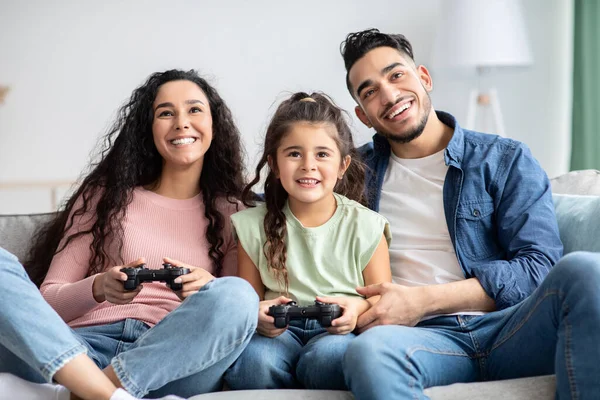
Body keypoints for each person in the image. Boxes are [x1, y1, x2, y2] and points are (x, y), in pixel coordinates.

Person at [337, 28, 600, 400]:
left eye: (396, 75)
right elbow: (285, 198)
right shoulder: (351, 174)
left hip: (512, 327)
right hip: (422, 340)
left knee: (588, 271)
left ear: (423, 78)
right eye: (370, 91)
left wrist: (423, 300)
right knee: (368, 352)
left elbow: (537, 268)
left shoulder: (504, 158)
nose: (389, 95)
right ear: (363, 116)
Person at [0, 69, 259, 400]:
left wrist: (206, 287)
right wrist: (99, 286)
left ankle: (83, 395)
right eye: (166, 112)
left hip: (168, 363)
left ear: (214, 124)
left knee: (238, 295)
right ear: (148, 129)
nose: (181, 122)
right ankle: (105, 394)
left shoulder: (235, 212)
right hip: (78, 353)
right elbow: (48, 301)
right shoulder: (105, 196)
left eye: (194, 109)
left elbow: (242, 316)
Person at [223, 92, 392, 390]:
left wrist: (355, 311)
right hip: (278, 331)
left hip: (337, 331)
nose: (308, 165)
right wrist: (258, 316)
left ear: (342, 166)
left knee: (329, 358)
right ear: (274, 164)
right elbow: (247, 299)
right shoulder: (251, 225)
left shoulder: (366, 225)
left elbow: (381, 298)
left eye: (322, 154)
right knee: (254, 364)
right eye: (294, 153)